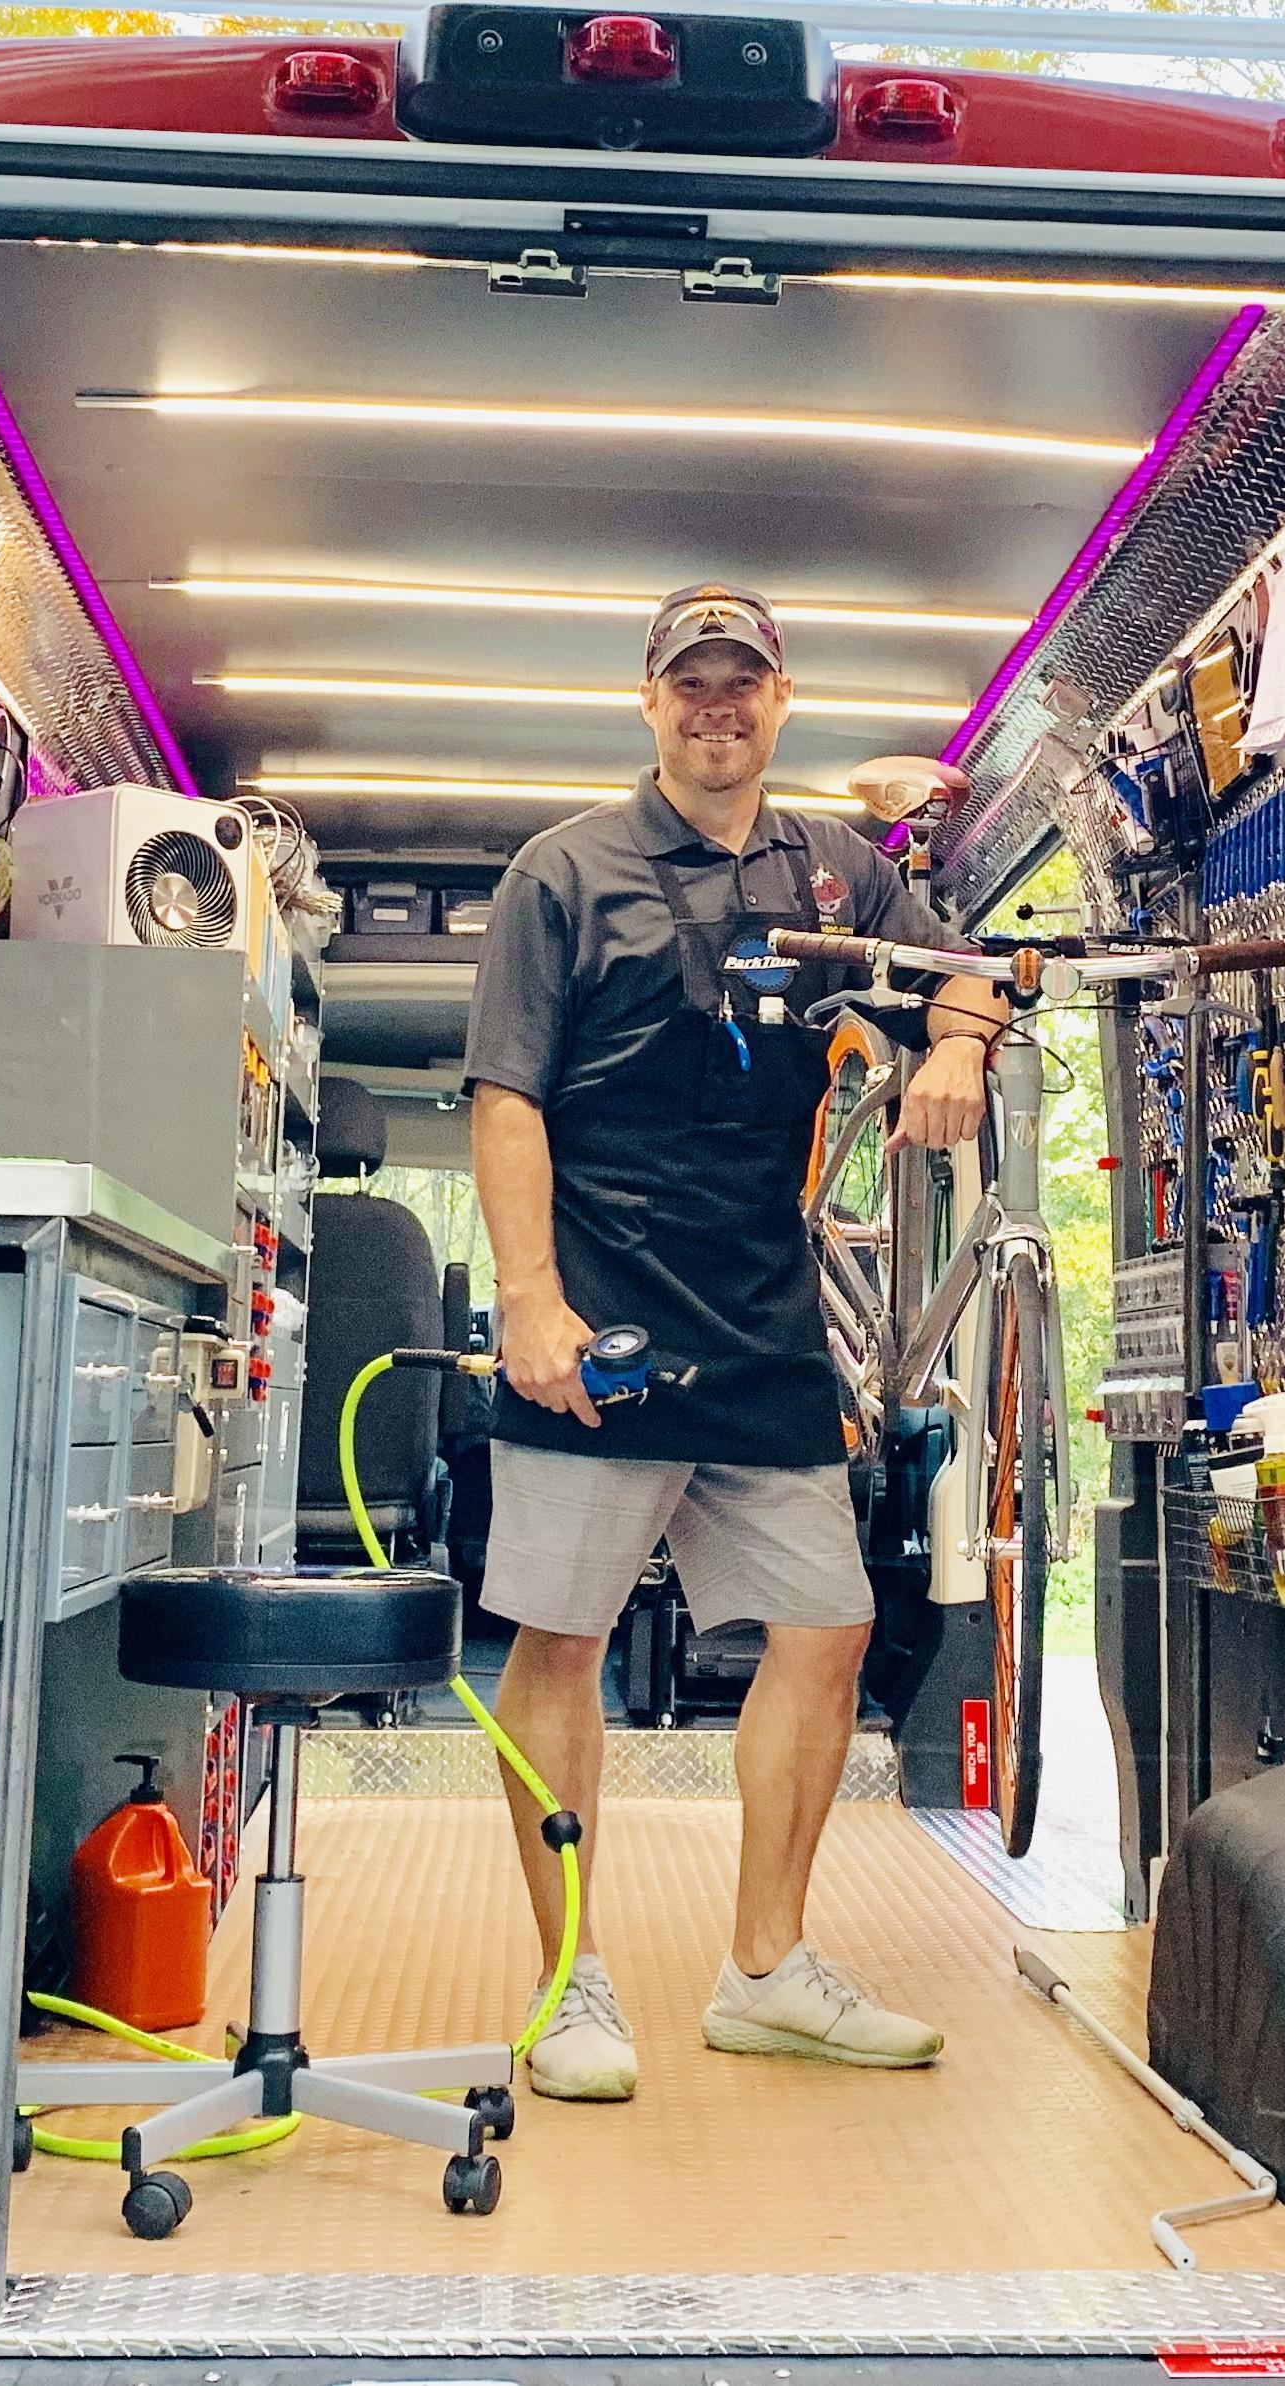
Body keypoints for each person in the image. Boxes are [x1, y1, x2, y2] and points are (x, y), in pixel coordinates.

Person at [461, 582, 1007, 2102]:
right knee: (561, 1643)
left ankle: (765, 1970)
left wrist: (956, 1048)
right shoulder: (563, 872)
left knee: (827, 1630)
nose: (717, 707)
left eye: (741, 682)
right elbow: (506, 1098)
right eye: (690, 683)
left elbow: (964, 977)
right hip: (599, 1314)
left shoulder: (836, 874)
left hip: (764, 1321)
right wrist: (527, 1298)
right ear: (650, 702)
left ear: (780, 701)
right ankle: (568, 1982)